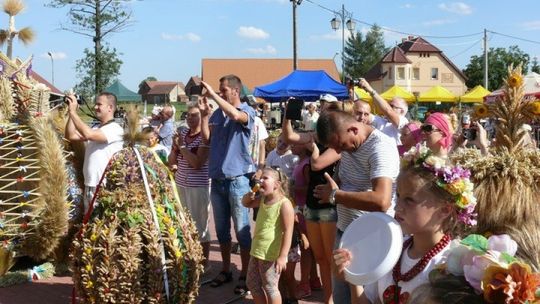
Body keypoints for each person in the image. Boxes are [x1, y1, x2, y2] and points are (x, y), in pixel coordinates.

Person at [334, 146, 478, 303]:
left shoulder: (453, 264)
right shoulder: (389, 249)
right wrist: (354, 274)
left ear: (444, 209)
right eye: (398, 196)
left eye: (409, 200)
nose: (397, 207)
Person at [312, 110, 399, 303]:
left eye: (341, 145)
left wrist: (335, 195)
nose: (340, 151)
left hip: (372, 239)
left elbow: (382, 201)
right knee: (342, 297)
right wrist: (334, 184)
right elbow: (348, 178)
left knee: (365, 299)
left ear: (353, 129)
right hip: (346, 233)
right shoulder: (348, 145)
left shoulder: (380, 147)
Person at [201, 75, 255, 294]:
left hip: (238, 180)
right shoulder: (216, 114)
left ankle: (246, 273)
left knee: (242, 231)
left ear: (235, 90)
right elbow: (207, 140)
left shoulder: (247, 111)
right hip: (218, 180)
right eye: (219, 90)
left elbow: (235, 115)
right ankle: (226, 269)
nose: (220, 93)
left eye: (223, 90)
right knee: (222, 231)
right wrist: (205, 116)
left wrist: (213, 95)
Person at [64, 92, 124, 214]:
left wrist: (73, 113)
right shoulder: (97, 127)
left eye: (99, 104)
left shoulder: (115, 129)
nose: (95, 107)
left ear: (110, 108)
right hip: (91, 185)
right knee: (90, 222)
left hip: (103, 187)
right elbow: (70, 135)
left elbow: (89, 134)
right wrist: (72, 113)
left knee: (99, 222)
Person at [168, 104, 211, 270]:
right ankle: (189, 258)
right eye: (188, 115)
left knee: (200, 224)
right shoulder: (183, 133)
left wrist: (182, 147)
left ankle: (203, 263)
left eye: (194, 115)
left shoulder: (205, 137)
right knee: (184, 222)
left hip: (198, 185)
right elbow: (172, 161)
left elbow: (197, 163)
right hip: (181, 183)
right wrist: (175, 147)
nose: (189, 118)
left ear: (201, 117)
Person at [243, 167, 295, 304]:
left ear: (277, 184)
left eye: (265, 178)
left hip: (270, 253)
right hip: (257, 250)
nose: (260, 181)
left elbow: (288, 231)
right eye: (261, 178)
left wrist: (283, 256)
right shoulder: (262, 199)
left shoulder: (284, 204)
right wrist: (249, 195)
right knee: (252, 283)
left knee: (270, 287)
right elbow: (245, 203)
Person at [359, 78, 409, 145]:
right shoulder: (383, 121)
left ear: (402, 111)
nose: (388, 106)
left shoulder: (404, 122)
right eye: (388, 104)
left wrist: (370, 90)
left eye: (391, 106)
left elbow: (388, 111)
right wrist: (351, 91)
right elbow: (362, 112)